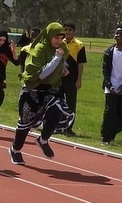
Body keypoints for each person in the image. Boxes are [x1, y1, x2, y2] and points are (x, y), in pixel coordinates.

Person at [8, 22, 75, 165]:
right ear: (49, 36)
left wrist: (63, 68)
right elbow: (42, 74)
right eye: (55, 38)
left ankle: (43, 139)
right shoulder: (39, 49)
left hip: (49, 90)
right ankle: (15, 149)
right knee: (25, 123)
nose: (58, 41)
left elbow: (62, 64)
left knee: (58, 111)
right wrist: (56, 59)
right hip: (32, 90)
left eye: (61, 38)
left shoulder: (61, 48)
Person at [59, 22, 87, 136]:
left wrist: (79, 80)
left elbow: (81, 64)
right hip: (58, 80)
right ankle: (57, 126)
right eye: (65, 29)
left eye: (69, 30)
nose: (67, 32)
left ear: (74, 31)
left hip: (72, 80)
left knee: (71, 104)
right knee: (57, 103)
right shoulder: (59, 43)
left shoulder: (79, 45)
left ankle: (68, 128)